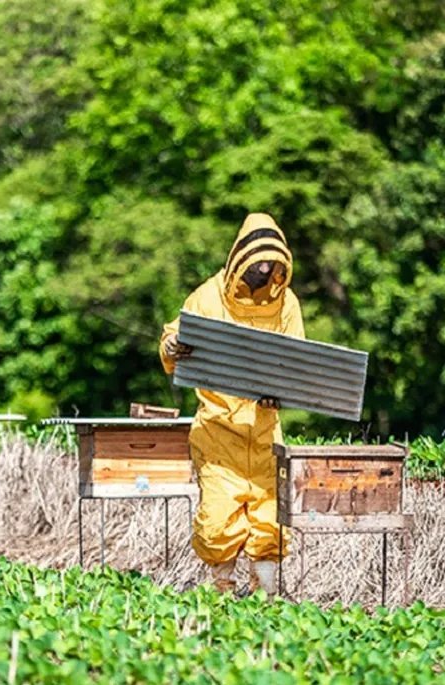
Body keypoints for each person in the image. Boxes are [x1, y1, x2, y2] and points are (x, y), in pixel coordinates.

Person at [159, 213, 305, 596]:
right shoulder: (206, 297)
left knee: (270, 522)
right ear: (239, 256)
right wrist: (172, 346)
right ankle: (223, 593)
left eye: (270, 263)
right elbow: (175, 336)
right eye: (257, 261)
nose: (263, 269)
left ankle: (266, 598)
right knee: (218, 520)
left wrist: (282, 390)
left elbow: (298, 360)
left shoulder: (287, 303)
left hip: (264, 432)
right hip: (218, 430)